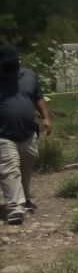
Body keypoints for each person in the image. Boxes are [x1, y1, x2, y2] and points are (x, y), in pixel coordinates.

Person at [0, 44, 52, 225]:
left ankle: (25, 198)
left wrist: (46, 118)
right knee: (9, 168)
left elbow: (38, 97)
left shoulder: (29, 76)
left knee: (26, 167)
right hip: (3, 134)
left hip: (28, 133)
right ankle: (15, 207)